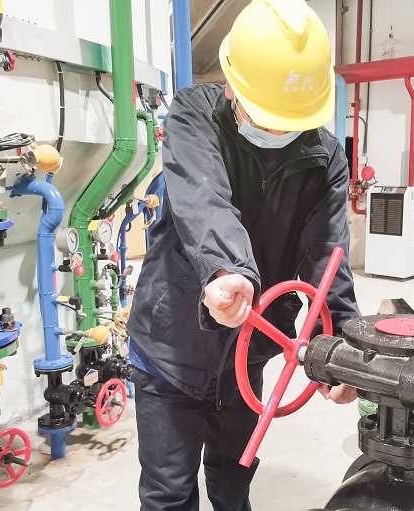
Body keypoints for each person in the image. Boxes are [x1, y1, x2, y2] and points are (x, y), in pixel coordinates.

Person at [127, 1, 360, 509]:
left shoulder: (325, 158)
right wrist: (227, 269)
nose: (277, 134)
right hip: (172, 346)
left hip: (247, 350)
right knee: (169, 493)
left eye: (290, 123)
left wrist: (344, 344)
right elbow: (204, 199)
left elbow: (328, 256)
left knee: (234, 479)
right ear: (232, 85)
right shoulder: (193, 115)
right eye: (268, 118)